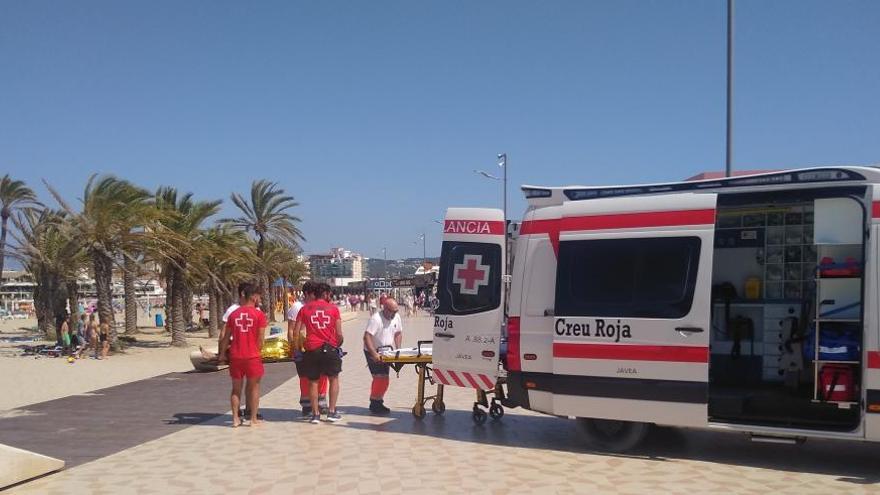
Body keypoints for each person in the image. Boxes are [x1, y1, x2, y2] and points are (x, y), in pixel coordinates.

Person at [217, 282, 267, 427]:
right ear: (252, 297)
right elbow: (261, 339)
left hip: (236, 356)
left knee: (235, 388)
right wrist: (258, 351)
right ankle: (252, 419)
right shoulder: (259, 315)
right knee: (254, 388)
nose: (258, 298)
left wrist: (221, 354)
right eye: (257, 295)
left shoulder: (233, 314)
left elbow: (226, 337)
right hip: (252, 356)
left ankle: (235, 419)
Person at [294, 282, 344, 424]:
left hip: (311, 349)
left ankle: (315, 414)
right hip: (330, 348)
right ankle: (332, 412)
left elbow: (296, 332)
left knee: (313, 381)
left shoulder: (304, 309)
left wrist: (297, 348)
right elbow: (339, 333)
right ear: (326, 294)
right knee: (333, 378)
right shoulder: (334, 309)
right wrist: (337, 344)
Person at [287, 282, 329, 417]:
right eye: (313, 294)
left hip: (317, 346)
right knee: (305, 376)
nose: (315, 297)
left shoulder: (317, 307)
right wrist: (295, 348)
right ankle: (307, 404)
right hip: (303, 347)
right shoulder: (297, 307)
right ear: (306, 294)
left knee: (322, 374)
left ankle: (321, 402)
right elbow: (291, 330)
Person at [363, 297, 403, 414]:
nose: (394, 314)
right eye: (392, 311)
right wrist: (373, 353)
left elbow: (398, 333)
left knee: (384, 378)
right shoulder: (376, 319)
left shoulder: (396, 317)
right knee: (380, 377)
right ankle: (375, 403)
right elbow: (367, 337)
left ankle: (377, 401)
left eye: (396, 311)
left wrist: (398, 349)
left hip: (387, 351)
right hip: (373, 350)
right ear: (385, 308)